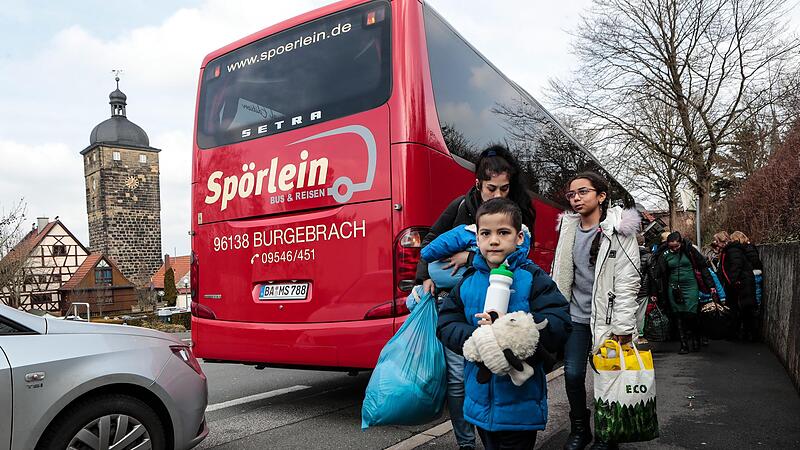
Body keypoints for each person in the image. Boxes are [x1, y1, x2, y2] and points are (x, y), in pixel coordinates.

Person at [414, 145, 535, 450]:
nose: (498, 195)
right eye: (491, 188)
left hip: (504, 300)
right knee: (459, 379)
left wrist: (469, 257)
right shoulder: (460, 207)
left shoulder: (521, 211)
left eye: (504, 189)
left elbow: (520, 256)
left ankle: (501, 433)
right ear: (478, 184)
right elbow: (429, 243)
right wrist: (425, 276)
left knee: (500, 371)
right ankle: (466, 442)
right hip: (463, 299)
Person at [437, 198, 571, 450]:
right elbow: (446, 323)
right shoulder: (467, 282)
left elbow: (559, 321)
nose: (494, 240)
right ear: (477, 239)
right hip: (479, 400)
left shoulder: (532, 277)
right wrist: (477, 339)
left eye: (503, 232)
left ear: (519, 238)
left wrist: (512, 332)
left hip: (520, 403)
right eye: (486, 233)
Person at [550, 172, 641, 450]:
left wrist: (623, 326)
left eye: (583, 192)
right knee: (572, 374)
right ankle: (580, 429)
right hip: (576, 318)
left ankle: (607, 433)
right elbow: (561, 275)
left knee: (608, 377)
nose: (576, 198)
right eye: (571, 194)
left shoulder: (619, 231)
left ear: (601, 196)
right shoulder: (568, 229)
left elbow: (628, 281)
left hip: (608, 320)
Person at [654, 232, 716, 354]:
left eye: (676, 246)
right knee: (678, 315)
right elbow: (658, 274)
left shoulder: (690, 251)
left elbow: (703, 267)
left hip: (691, 287)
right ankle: (684, 344)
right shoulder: (664, 254)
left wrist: (711, 286)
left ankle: (696, 339)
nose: (674, 249)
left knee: (691, 314)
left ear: (681, 243)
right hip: (673, 288)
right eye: (671, 247)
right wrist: (655, 292)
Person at [717, 231, 759, 341]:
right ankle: (746, 334)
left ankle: (747, 334)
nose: (716, 244)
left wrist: (732, 281)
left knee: (744, 309)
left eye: (717, 241)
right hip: (743, 282)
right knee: (745, 309)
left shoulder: (732, 250)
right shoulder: (733, 249)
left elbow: (736, 266)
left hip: (741, 283)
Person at [636, 234, 657, 344]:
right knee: (640, 313)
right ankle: (639, 336)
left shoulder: (628, 254)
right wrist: (654, 292)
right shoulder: (649, 256)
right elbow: (652, 275)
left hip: (629, 287)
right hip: (643, 289)